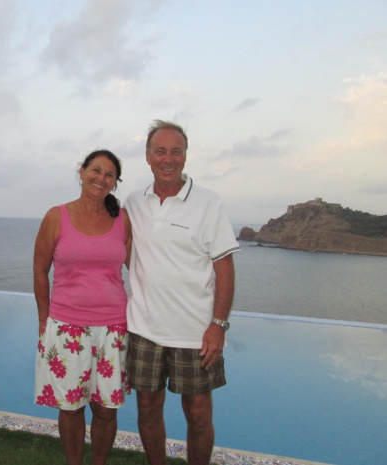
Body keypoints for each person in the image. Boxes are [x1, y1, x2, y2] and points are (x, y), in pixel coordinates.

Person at [124, 120, 240, 465]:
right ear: (148, 156)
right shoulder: (134, 202)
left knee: (199, 412)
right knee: (147, 407)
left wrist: (218, 324)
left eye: (176, 150)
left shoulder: (208, 203)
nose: (168, 158)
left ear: (186, 156)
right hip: (144, 328)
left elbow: (225, 268)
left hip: (195, 332)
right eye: (160, 150)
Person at [33, 149, 132, 465]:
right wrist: (44, 319)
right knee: (71, 406)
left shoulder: (122, 220)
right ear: (82, 172)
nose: (101, 178)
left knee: (105, 409)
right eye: (96, 170)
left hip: (113, 328)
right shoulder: (56, 216)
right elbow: (39, 270)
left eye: (109, 175)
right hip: (67, 326)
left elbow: (141, 269)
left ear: (115, 184)